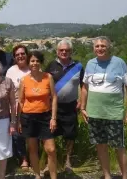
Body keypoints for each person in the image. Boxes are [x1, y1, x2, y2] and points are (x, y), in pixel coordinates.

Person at [81, 36, 127, 179]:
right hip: (94, 113)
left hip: (114, 113)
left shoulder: (119, 63)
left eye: (103, 46)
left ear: (109, 47)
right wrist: (82, 108)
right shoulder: (90, 63)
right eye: (97, 46)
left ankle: (125, 176)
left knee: (119, 147)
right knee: (101, 146)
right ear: (93, 48)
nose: (100, 48)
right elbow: (85, 88)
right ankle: (107, 176)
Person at [44, 39, 84, 171]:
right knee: (50, 134)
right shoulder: (51, 65)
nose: (64, 52)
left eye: (67, 50)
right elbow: (44, 84)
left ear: (71, 51)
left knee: (70, 135)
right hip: (53, 107)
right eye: (61, 50)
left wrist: (82, 102)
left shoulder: (78, 66)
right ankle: (49, 163)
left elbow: (84, 86)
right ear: (57, 51)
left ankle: (67, 161)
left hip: (71, 106)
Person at [18, 51, 58, 179]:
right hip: (28, 117)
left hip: (45, 117)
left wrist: (53, 118)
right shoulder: (24, 80)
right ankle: (37, 175)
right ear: (28, 63)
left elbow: (54, 97)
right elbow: (20, 101)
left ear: (40, 62)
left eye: (37, 61)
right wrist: (18, 121)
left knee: (51, 150)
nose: (34, 63)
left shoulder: (48, 77)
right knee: (32, 149)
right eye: (32, 61)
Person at [6, 44, 30, 170]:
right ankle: (23, 159)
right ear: (14, 57)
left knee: (31, 135)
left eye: (22, 53)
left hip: (32, 107)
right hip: (15, 108)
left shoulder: (33, 67)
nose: (20, 56)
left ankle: (33, 157)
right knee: (17, 135)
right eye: (17, 54)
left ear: (27, 54)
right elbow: (8, 91)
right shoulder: (11, 71)